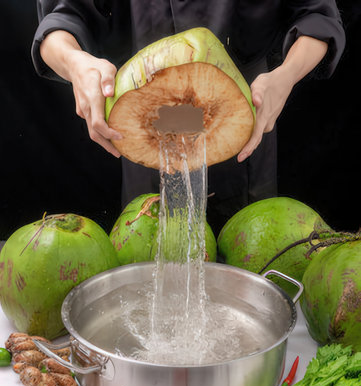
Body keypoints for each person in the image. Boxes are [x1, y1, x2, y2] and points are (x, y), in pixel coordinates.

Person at [31, 1, 345, 234]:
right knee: (149, 263)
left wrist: (285, 76)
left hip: (242, 140)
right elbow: (62, 19)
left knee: (248, 263)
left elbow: (317, 17)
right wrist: (75, 63)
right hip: (146, 136)